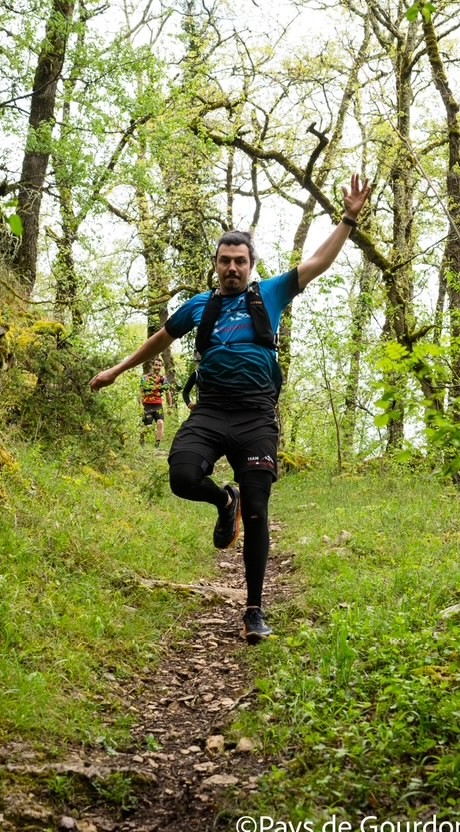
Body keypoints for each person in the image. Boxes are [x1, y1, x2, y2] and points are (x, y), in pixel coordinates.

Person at [91, 174, 372, 644]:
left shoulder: (271, 294)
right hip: (211, 410)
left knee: (260, 510)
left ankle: (254, 609)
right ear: (216, 265)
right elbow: (160, 339)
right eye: (225, 261)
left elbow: (318, 262)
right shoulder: (200, 306)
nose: (232, 268)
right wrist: (117, 370)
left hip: (257, 416)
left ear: (251, 265)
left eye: (240, 261)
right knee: (182, 477)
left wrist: (347, 218)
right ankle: (225, 500)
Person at [140, 359, 170, 448]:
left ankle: (157, 445)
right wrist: (140, 405)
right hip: (147, 405)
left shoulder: (163, 379)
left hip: (158, 405)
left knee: (160, 423)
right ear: (152, 366)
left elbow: (167, 393)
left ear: (162, 367)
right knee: (148, 427)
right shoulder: (145, 378)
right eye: (156, 365)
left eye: (159, 365)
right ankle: (142, 439)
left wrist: (170, 406)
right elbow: (141, 392)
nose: (157, 367)